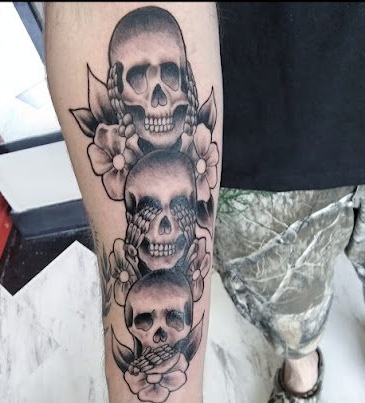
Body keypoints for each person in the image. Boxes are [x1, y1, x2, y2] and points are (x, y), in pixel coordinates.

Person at [45, 3, 365, 402]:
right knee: (291, 316)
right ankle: (302, 368)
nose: (157, 96)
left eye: (168, 77)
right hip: (269, 159)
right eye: (138, 79)